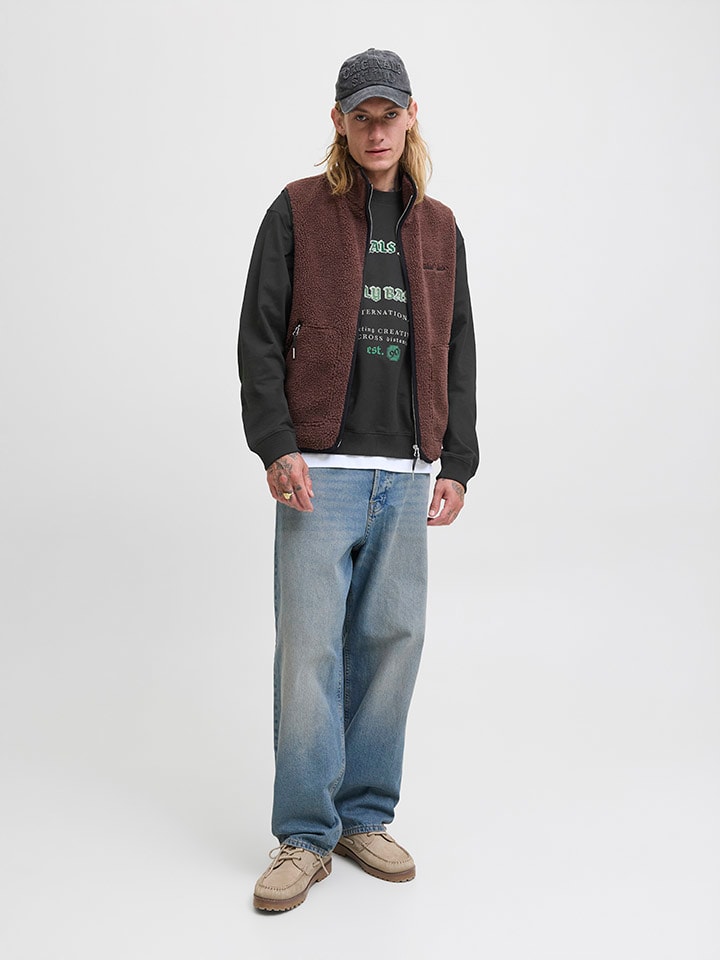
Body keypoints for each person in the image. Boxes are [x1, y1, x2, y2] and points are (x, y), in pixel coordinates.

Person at [237, 47, 479, 912]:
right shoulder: (298, 210)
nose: (378, 131)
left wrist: (459, 459)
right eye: (361, 117)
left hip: (406, 472)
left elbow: (457, 346)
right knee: (309, 652)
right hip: (321, 469)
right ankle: (304, 836)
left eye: (390, 114)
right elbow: (259, 335)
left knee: (392, 643)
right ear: (339, 123)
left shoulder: (439, 227)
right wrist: (276, 445)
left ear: (412, 116)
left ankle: (363, 816)